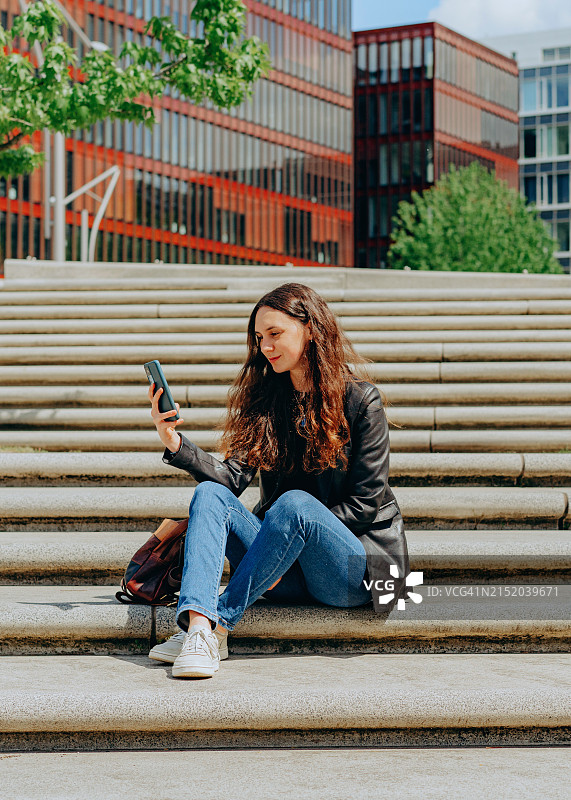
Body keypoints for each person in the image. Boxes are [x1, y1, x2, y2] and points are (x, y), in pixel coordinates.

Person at [146, 282, 409, 679]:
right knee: (210, 494)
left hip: (355, 571)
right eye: (259, 337)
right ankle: (198, 629)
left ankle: (218, 624)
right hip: (285, 571)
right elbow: (231, 478)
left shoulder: (361, 401)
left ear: (311, 330)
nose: (265, 346)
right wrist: (176, 443)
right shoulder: (268, 402)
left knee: (294, 505)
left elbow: (366, 503)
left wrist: (287, 537)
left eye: (275, 334)